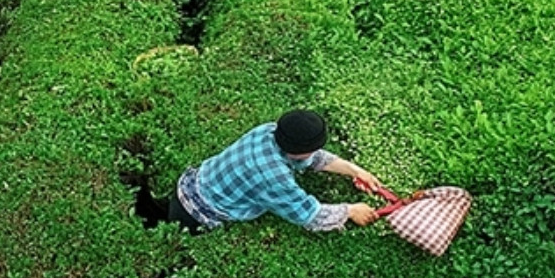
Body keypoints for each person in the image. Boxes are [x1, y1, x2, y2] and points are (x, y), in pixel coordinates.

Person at [141, 110, 382, 233]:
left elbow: (313, 157)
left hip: (189, 184)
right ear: (301, 150)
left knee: (153, 212)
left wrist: (354, 171)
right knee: (161, 233)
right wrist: (350, 211)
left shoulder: (268, 131)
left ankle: (148, 210)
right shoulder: (273, 177)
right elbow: (309, 215)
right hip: (198, 213)